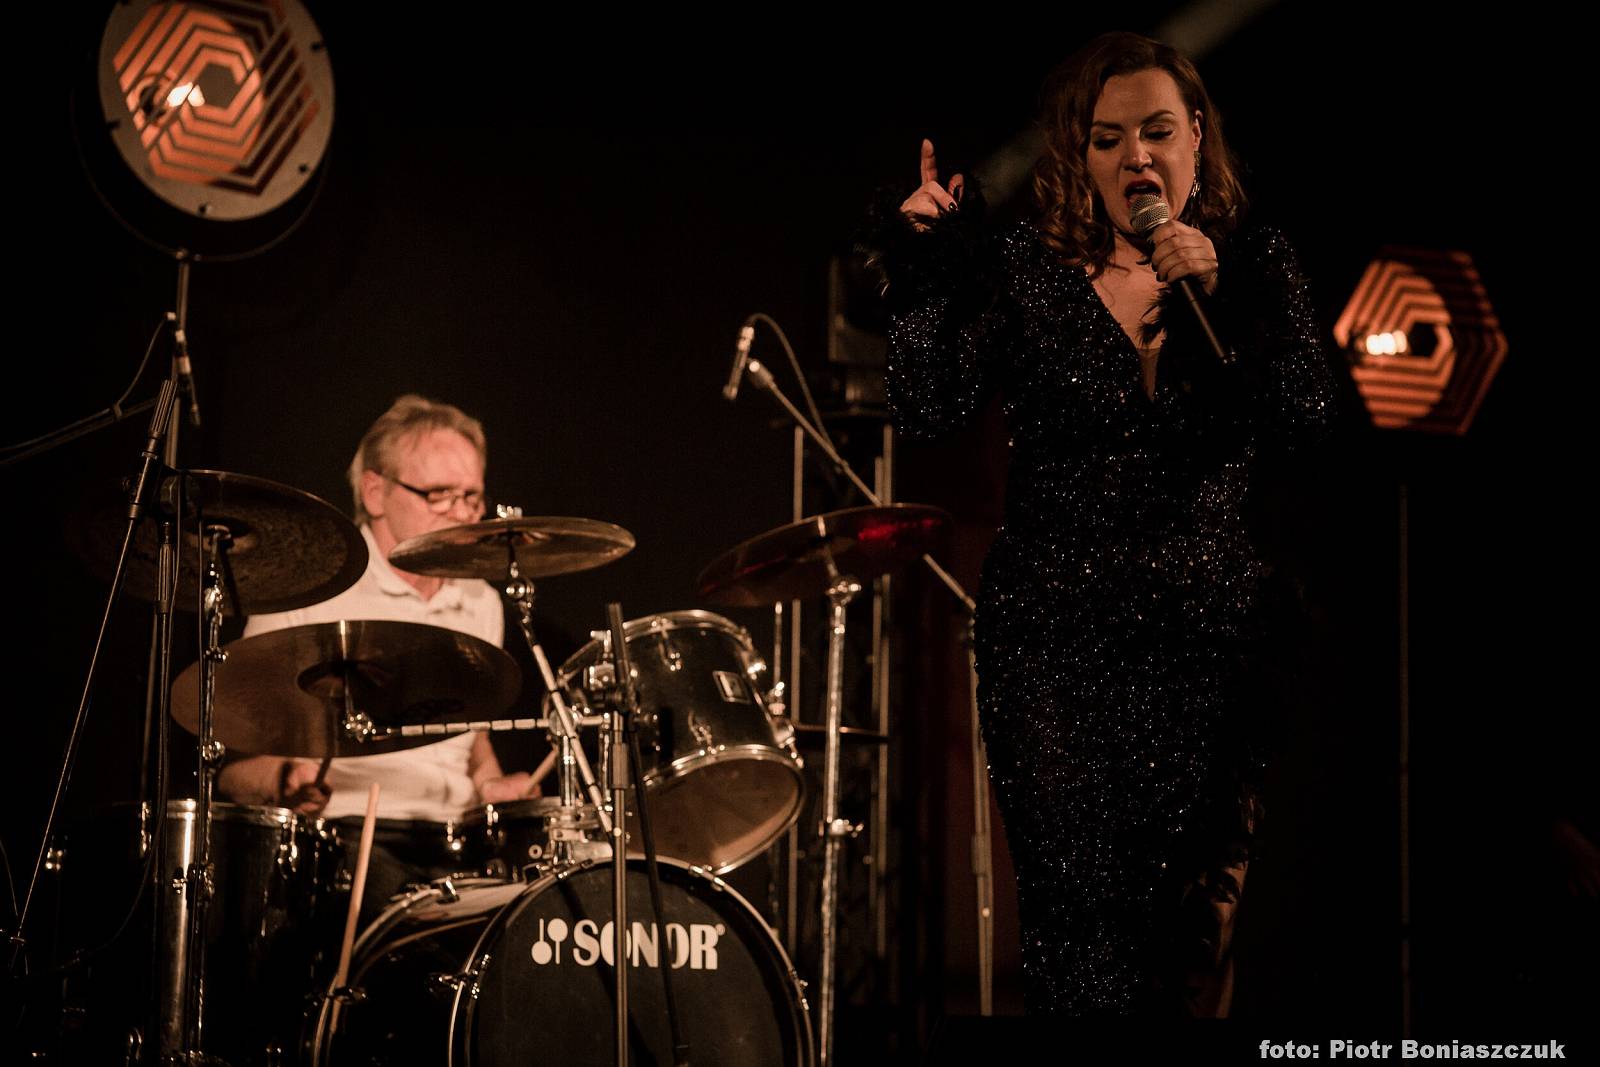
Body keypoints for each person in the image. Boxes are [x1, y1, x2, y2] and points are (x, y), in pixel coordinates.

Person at [868, 32, 1336, 1016]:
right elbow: (925, 405)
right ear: (1078, 157)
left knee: (1190, 949)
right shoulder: (1028, 273)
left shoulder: (1254, 263)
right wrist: (921, 271)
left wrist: (1219, 293)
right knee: (1078, 946)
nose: (1136, 157)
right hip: (1055, 649)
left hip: (1210, 652)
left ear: (1197, 136)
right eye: (1108, 138)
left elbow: (1307, 419)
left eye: (1156, 131)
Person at [218, 394, 538, 912]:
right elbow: (232, 768)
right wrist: (284, 779)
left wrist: (492, 784)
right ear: (375, 492)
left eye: (472, 497)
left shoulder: (480, 600)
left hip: (457, 840)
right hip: (351, 837)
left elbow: (469, 739)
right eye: (440, 495)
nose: (462, 515)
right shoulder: (310, 588)